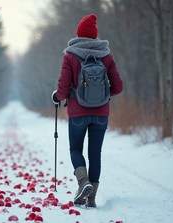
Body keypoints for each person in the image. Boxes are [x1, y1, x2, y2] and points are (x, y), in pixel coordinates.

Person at [51, 13, 123, 208]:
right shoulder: (106, 55)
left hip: (77, 113)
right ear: (95, 35)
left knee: (75, 149)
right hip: (101, 114)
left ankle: (83, 183)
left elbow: (63, 89)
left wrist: (57, 97)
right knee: (95, 154)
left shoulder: (71, 55)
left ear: (79, 34)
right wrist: (103, 94)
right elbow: (118, 87)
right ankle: (91, 199)